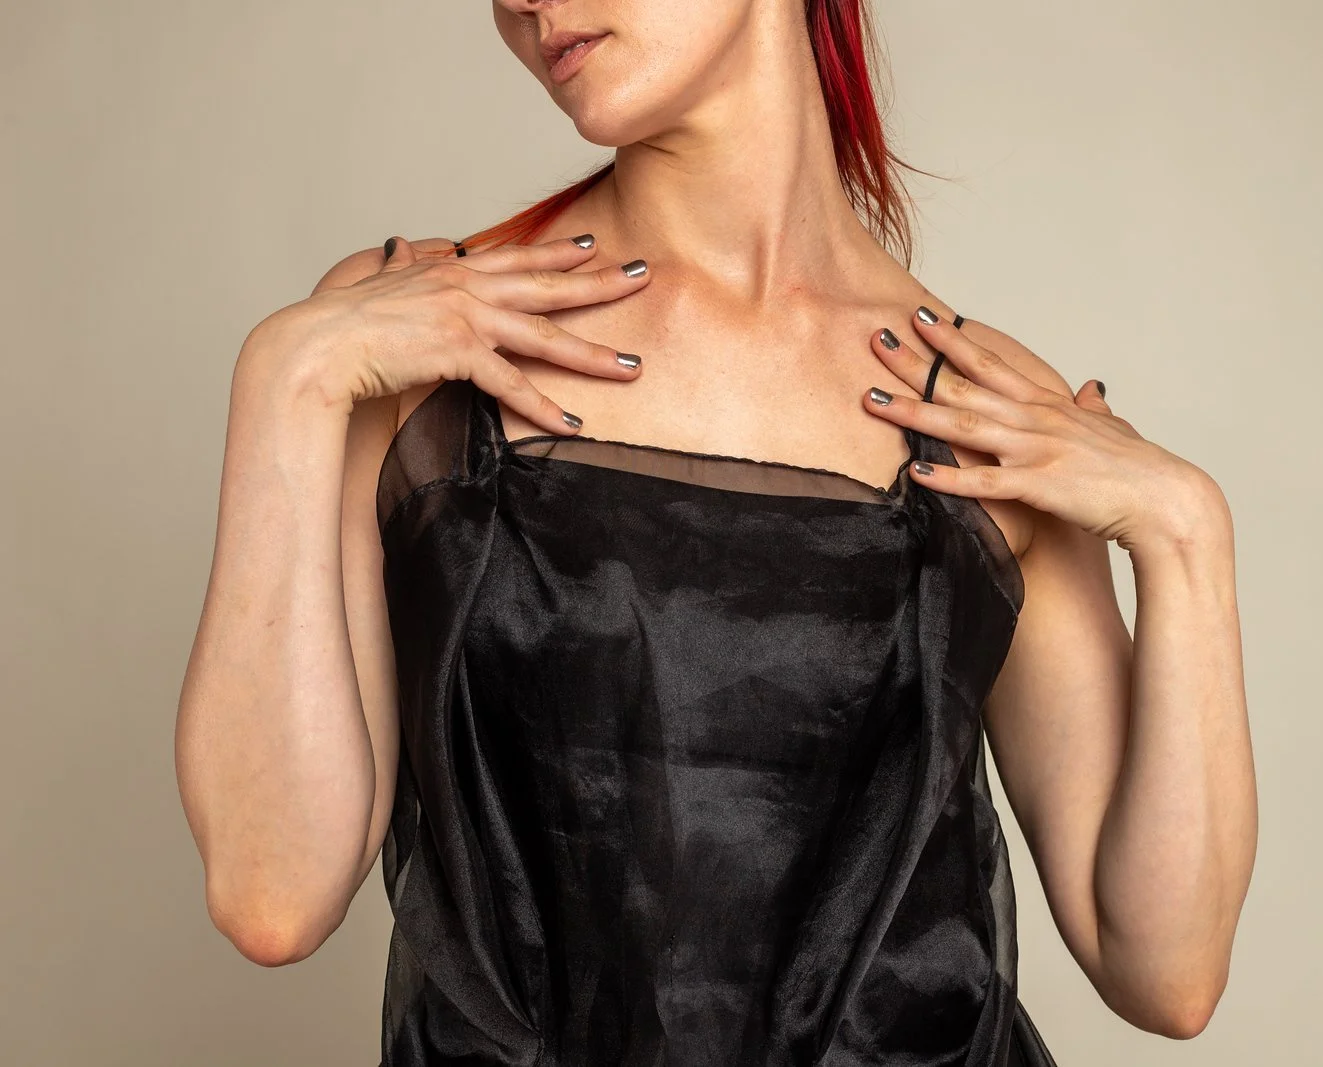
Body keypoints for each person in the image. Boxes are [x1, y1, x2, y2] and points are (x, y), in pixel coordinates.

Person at [175, 0, 1258, 1063]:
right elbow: (273, 895)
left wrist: (1187, 535)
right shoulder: (400, 336)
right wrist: (287, 374)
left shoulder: (986, 409)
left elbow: (1165, 972)